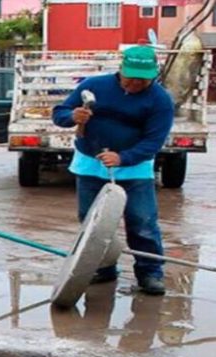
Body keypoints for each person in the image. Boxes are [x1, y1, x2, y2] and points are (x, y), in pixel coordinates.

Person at [52, 45, 173, 296]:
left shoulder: (160, 100)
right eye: (131, 77)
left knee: (142, 223)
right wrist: (72, 116)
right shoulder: (95, 86)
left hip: (136, 170)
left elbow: (153, 141)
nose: (136, 83)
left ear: (152, 75)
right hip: (89, 166)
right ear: (121, 69)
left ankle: (150, 273)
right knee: (93, 223)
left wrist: (123, 157)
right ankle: (103, 268)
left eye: (143, 79)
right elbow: (59, 114)